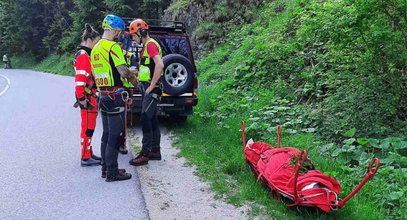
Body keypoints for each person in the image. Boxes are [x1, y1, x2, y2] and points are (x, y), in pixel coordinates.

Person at [91, 14, 138, 182]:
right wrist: (135, 80)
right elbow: (123, 71)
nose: (119, 34)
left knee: (106, 133)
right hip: (115, 96)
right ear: (115, 30)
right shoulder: (112, 47)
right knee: (115, 135)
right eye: (119, 31)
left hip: (103, 95)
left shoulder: (95, 48)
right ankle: (112, 172)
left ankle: (105, 168)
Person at [128, 19, 164, 166]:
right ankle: (155, 150)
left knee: (144, 118)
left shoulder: (150, 45)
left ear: (141, 32)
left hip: (152, 88)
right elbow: (148, 67)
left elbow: (160, 64)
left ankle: (145, 153)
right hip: (148, 86)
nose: (133, 39)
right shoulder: (147, 46)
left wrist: (152, 85)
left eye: (134, 35)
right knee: (152, 119)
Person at [74, 24, 102, 167]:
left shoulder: (85, 55)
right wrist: (82, 99)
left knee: (89, 128)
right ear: (90, 41)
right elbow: (80, 80)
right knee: (87, 129)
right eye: (96, 42)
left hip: (90, 97)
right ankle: (85, 157)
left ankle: (89, 153)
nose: (97, 45)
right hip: (87, 99)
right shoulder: (84, 56)